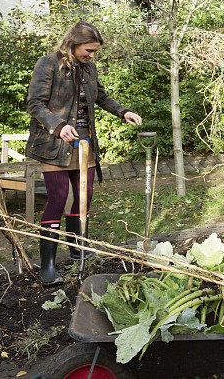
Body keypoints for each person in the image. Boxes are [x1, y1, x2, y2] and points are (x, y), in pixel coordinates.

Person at [25, 22, 142, 285]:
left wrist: (123, 111)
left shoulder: (89, 68)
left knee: (84, 197)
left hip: (83, 142)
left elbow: (101, 96)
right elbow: (34, 103)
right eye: (88, 50)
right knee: (58, 199)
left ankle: (78, 249)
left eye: (94, 52)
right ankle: (49, 267)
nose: (92, 55)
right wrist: (58, 125)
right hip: (54, 143)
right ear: (73, 44)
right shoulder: (48, 64)